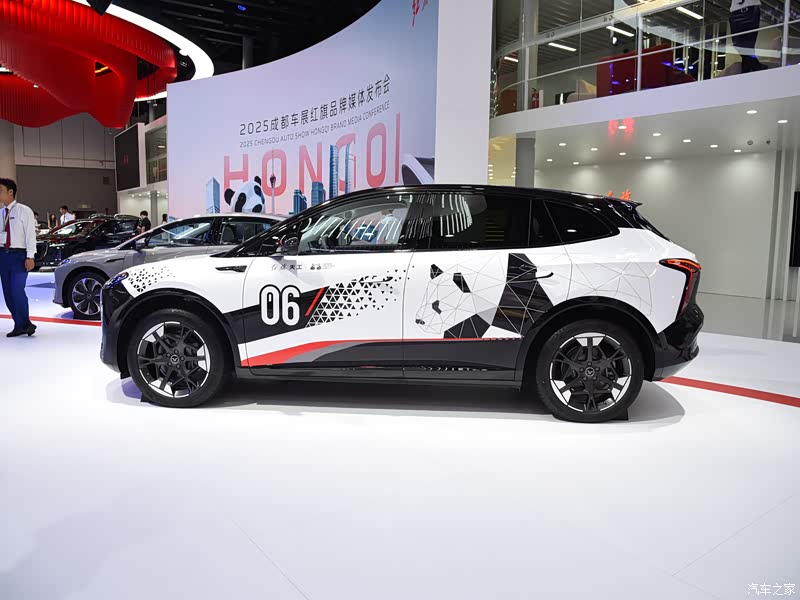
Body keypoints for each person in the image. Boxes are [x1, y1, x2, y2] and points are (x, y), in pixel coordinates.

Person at [0, 178, 37, 337]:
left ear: (11, 192)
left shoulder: (24, 210)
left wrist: (30, 256)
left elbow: (30, 235)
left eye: (0, 189)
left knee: (17, 290)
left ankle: (26, 323)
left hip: (19, 255)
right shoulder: (1, 213)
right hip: (3, 255)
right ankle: (19, 324)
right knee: (8, 292)